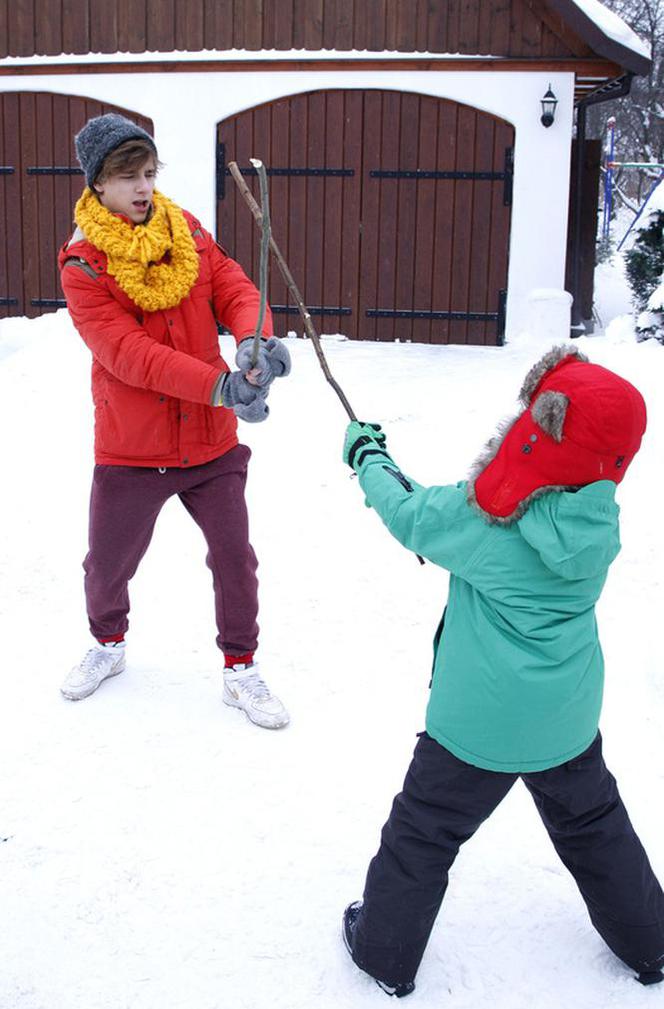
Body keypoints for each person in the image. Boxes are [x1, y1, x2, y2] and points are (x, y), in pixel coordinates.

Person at [340, 345, 664, 996]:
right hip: (565, 718)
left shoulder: (486, 522)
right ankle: (651, 942)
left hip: (476, 727)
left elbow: (408, 513)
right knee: (595, 826)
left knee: (424, 830)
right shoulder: (595, 522)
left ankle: (383, 952)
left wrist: (366, 452)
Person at [58, 113, 291, 729]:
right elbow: (126, 355)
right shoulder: (84, 265)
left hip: (210, 443)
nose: (142, 188)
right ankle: (107, 646)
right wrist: (219, 385)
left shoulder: (186, 231)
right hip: (132, 448)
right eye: (127, 177)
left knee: (234, 556)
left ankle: (240, 666)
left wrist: (253, 340)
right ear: (98, 185)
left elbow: (238, 288)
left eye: (149, 174)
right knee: (107, 565)